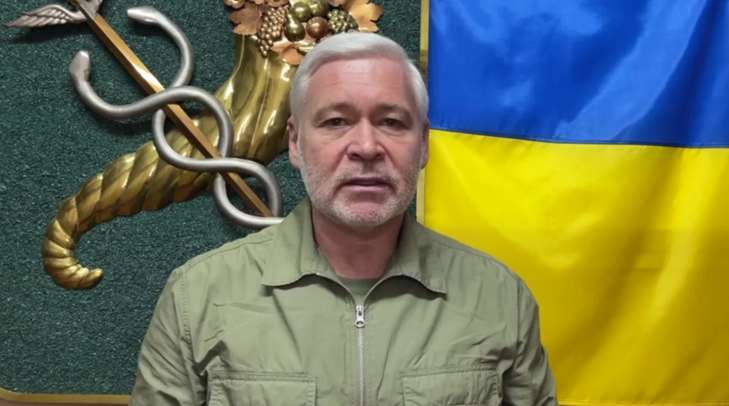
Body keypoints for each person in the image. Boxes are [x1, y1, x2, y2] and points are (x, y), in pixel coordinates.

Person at [130, 31, 556, 405]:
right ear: (295, 143)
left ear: (423, 143)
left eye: (392, 122)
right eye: (336, 121)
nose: (366, 147)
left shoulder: (499, 298)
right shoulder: (199, 298)